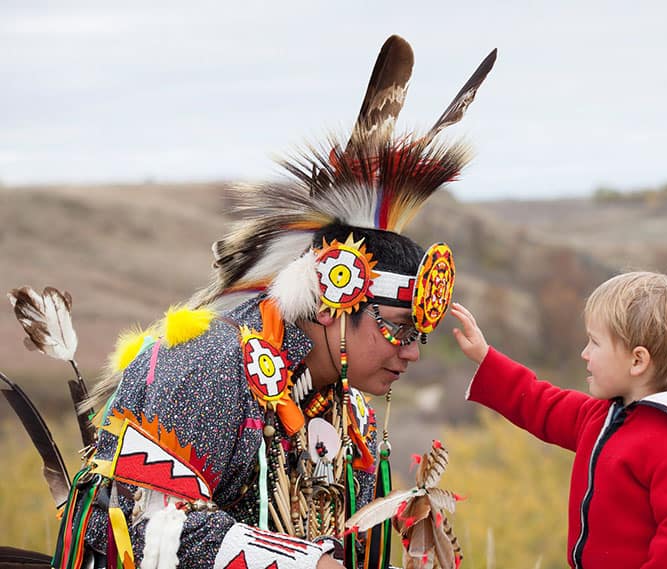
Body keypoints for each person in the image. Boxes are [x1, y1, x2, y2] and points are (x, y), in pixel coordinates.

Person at [48, 35, 496, 569]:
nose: (412, 352)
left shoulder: (349, 412)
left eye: (421, 335)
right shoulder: (207, 362)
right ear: (333, 300)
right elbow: (148, 519)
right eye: (398, 328)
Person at [451, 271, 667, 569]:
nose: (584, 354)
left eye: (594, 343)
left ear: (637, 361)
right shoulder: (602, 417)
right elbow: (540, 404)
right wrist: (485, 357)